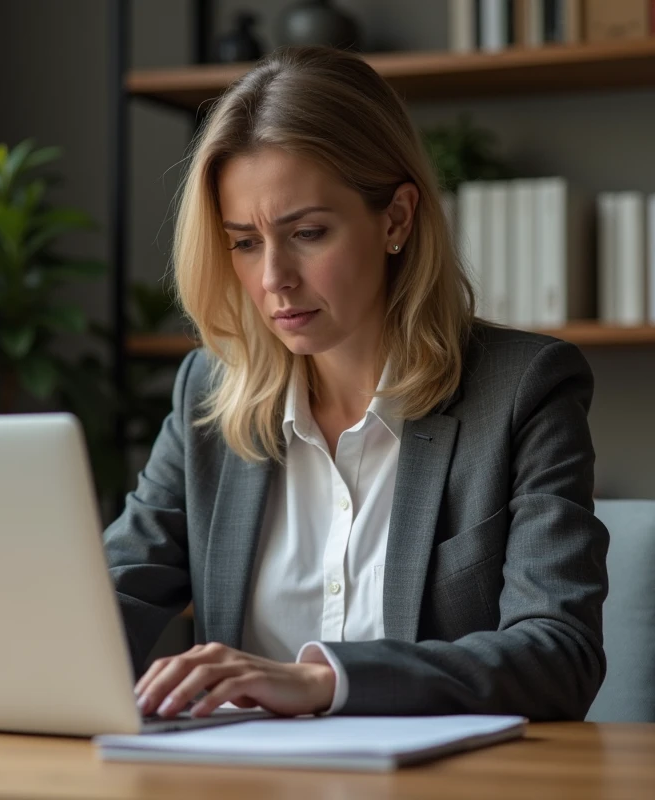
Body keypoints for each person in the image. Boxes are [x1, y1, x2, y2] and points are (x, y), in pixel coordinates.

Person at [103, 45, 609, 721]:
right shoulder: (209, 394)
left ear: (396, 218)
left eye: (308, 233)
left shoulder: (524, 390)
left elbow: (559, 656)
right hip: (235, 772)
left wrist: (325, 681)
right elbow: (108, 600)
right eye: (245, 242)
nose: (273, 278)